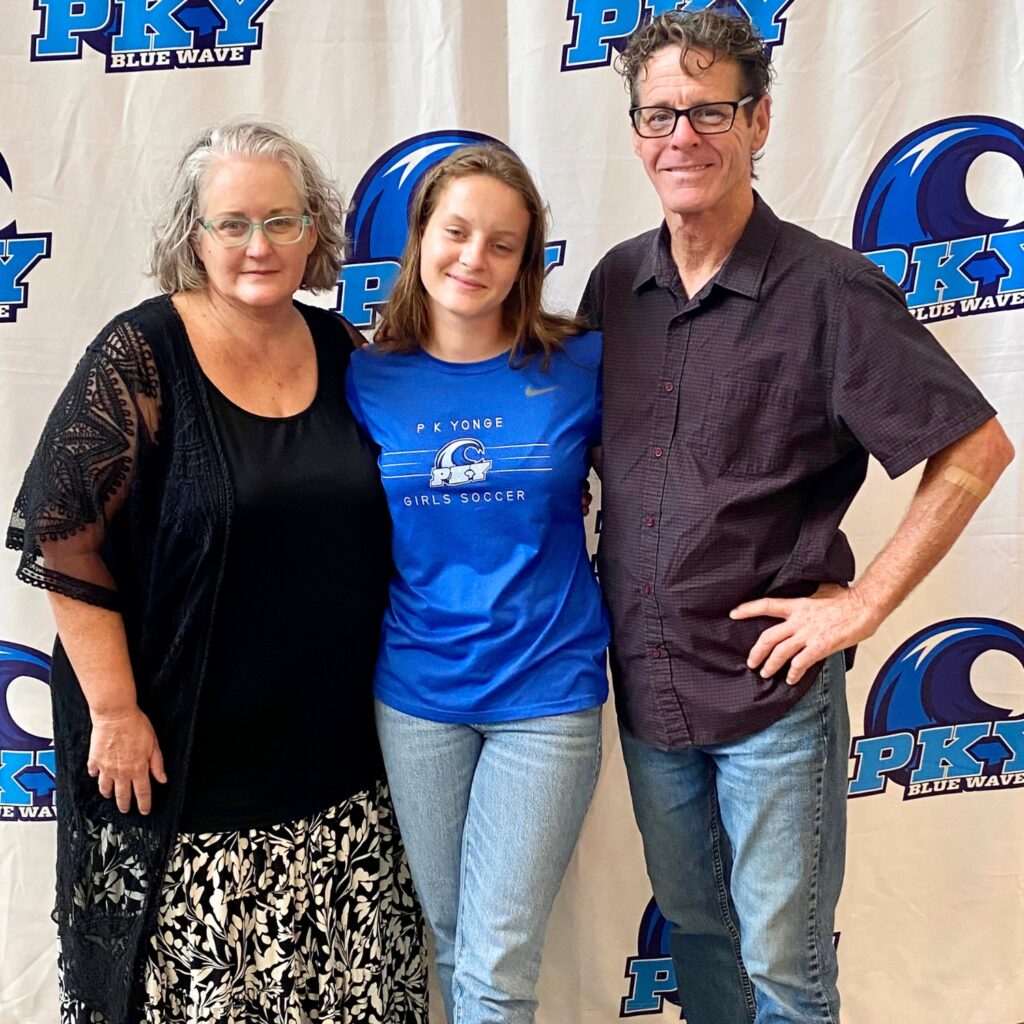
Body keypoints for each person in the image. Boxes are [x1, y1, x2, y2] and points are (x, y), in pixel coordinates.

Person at [579, 12, 1014, 1024]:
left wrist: (859, 606)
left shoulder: (829, 290)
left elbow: (974, 449)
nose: (680, 136)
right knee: (696, 935)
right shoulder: (615, 284)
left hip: (773, 693)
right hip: (649, 687)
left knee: (784, 968)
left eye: (709, 111)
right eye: (658, 114)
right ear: (635, 128)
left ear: (759, 118)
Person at [6, 120, 426, 1024]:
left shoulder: (344, 350)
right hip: (192, 788)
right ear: (191, 237)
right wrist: (115, 711)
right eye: (231, 223)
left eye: (281, 220)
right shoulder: (142, 355)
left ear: (316, 230)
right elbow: (60, 534)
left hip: (343, 783)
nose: (258, 245)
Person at [345, 144, 608, 1024]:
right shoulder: (363, 378)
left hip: (545, 690)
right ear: (420, 238)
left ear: (527, 261)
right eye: (456, 232)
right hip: (417, 696)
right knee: (455, 939)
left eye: (502, 244)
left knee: (495, 962)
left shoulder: (581, 366)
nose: (474, 259)